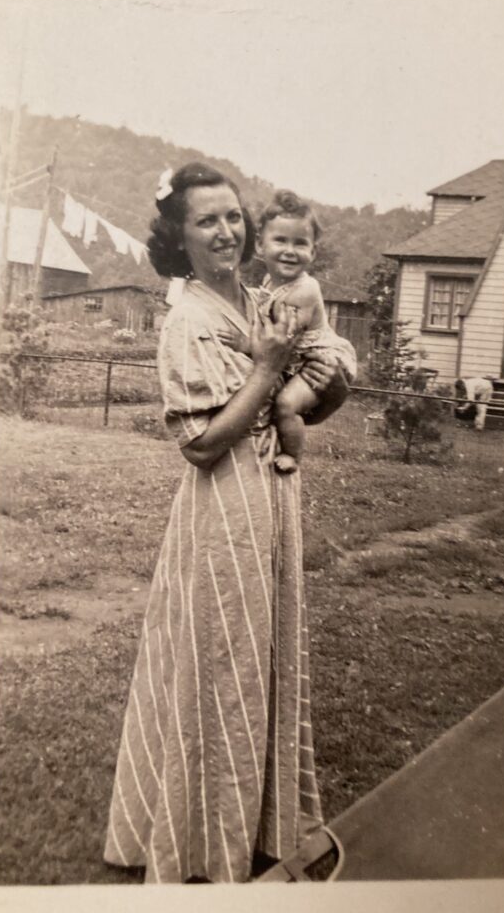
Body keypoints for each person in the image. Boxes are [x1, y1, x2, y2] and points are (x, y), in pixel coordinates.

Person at [103, 163, 347, 884]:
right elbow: (202, 443)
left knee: (260, 654)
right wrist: (270, 368)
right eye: (206, 220)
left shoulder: (265, 300)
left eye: (233, 216)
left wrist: (312, 384)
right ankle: (200, 841)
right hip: (223, 510)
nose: (226, 231)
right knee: (221, 665)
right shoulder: (190, 318)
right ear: (179, 236)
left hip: (270, 502)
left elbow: (306, 387)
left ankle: (256, 824)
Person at [221, 189, 356, 474]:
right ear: (260, 245)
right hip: (299, 359)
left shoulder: (305, 290)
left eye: (300, 243)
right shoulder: (272, 281)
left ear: (313, 251)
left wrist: (245, 344)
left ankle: (293, 454)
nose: (290, 251)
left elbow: (281, 342)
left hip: (319, 362)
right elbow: (263, 301)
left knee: (286, 404)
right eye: (280, 240)